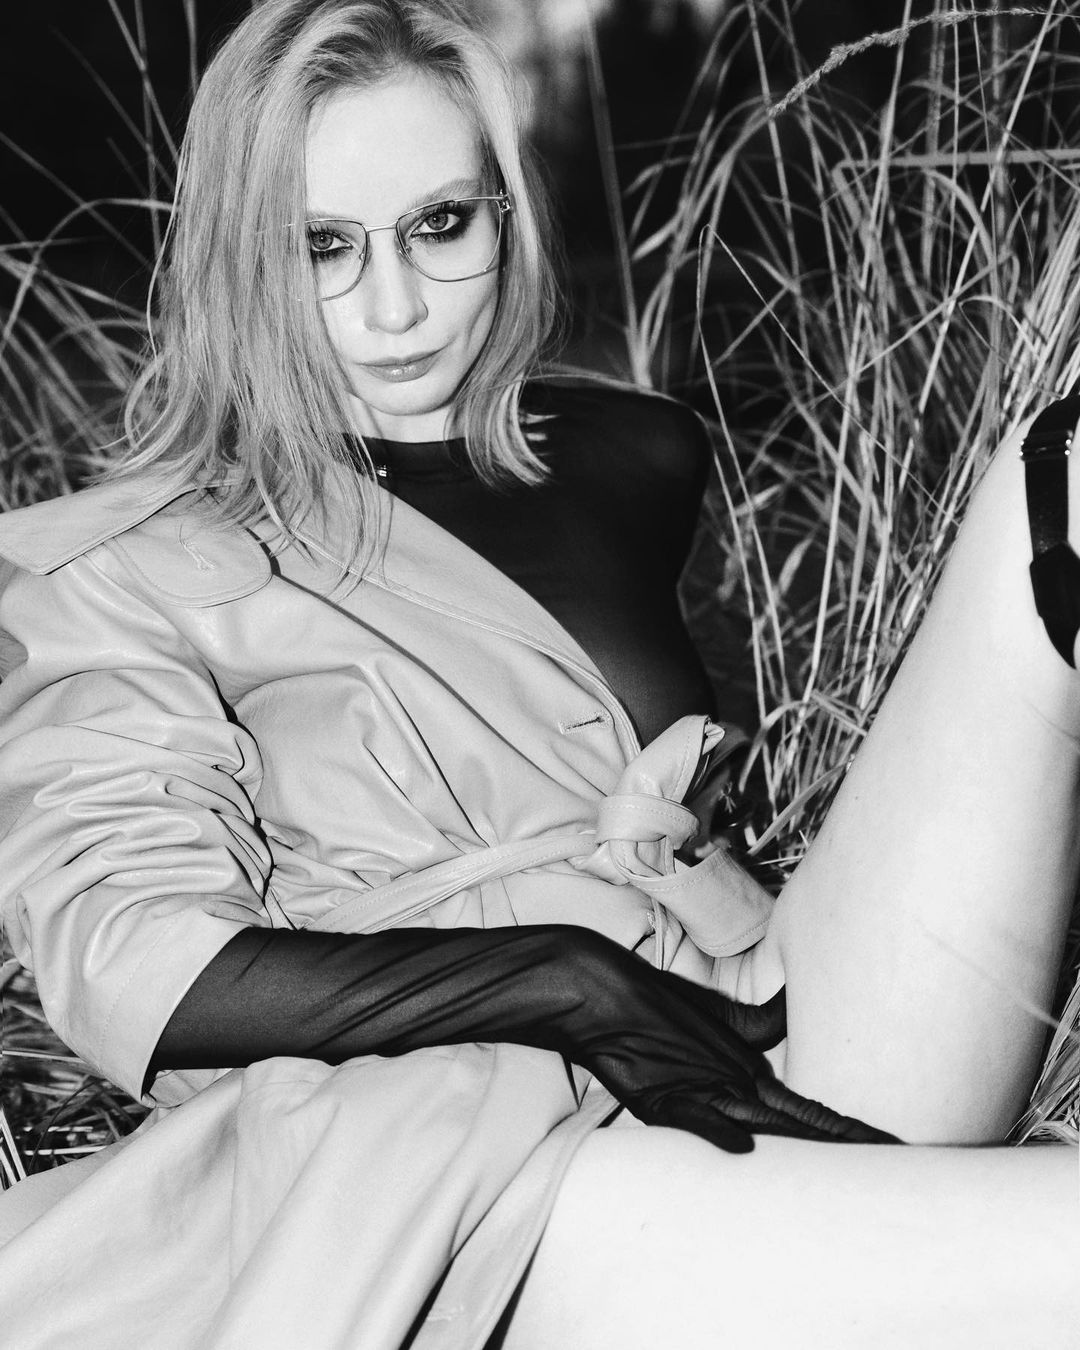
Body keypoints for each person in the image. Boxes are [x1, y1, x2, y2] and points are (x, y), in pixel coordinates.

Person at [0, 2, 1075, 1347]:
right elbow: (134, 963)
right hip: (475, 1147)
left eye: (438, 225)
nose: (393, 307)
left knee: (1061, 469)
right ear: (235, 258)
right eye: (321, 246)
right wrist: (558, 980)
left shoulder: (638, 456)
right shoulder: (118, 561)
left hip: (756, 1008)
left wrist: (684, 853)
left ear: (504, 212)